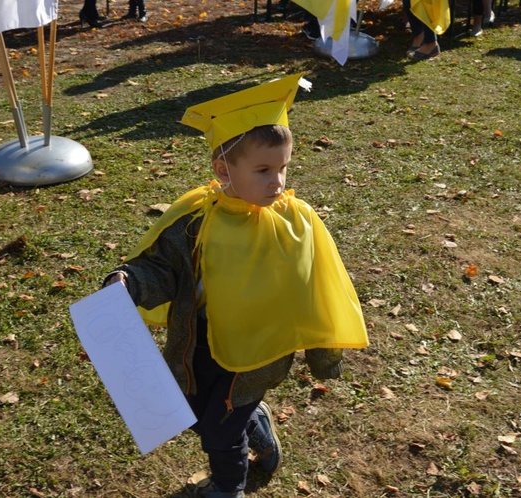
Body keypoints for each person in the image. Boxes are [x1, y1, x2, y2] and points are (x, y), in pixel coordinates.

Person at [102, 74, 369, 498]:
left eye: (283, 167)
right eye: (263, 170)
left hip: (257, 354)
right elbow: (162, 268)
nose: (277, 182)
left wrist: (324, 355)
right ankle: (255, 423)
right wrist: (129, 281)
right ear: (223, 169)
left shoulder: (295, 222)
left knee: (219, 434)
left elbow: (319, 289)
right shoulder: (195, 219)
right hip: (198, 343)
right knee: (192, 411)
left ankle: (228, 487)